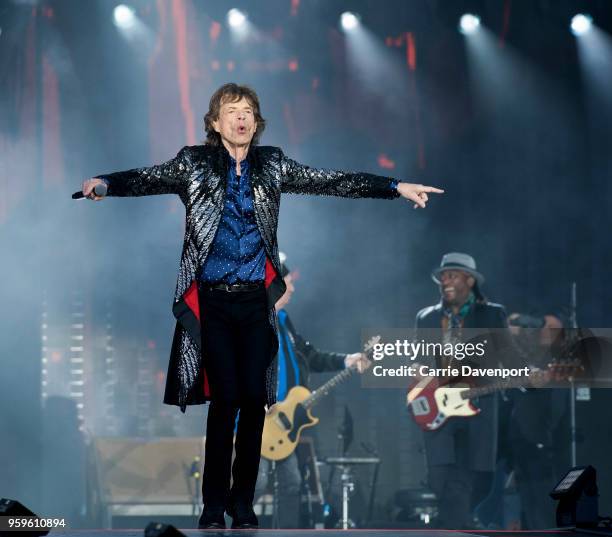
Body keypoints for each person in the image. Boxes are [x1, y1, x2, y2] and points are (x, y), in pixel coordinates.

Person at [81, 82, 443, 529]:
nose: (242, 117)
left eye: (249, 110)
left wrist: (394, 186)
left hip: (255, 303)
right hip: (211, 300)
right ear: (215, 123)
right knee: (226, 398)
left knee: (255, 401)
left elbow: (334, 181)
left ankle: (242, 503)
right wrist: (105, 183)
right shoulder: (194, 163)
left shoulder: (271, 164)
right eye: (232, 110)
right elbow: (146, 178)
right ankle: (213, 506)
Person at [254, 253, 370, 528]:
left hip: (284, 423)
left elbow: (310, 356)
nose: (293, 288)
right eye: (288, 282)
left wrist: (347, 359)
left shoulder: (283, 322)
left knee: (292, 484)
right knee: (254, 484)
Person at [414, 252, 516, 529]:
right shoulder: (426, 317)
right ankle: (461, 525)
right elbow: (420, 361)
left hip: (479, 406)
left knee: (479, 478)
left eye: (452, 275)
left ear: (469, 280)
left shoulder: (492, 314)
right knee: (440, 477)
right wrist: (418, 376)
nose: (445, 280)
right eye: (442, 276)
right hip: (437, 408)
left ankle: (458, 525)